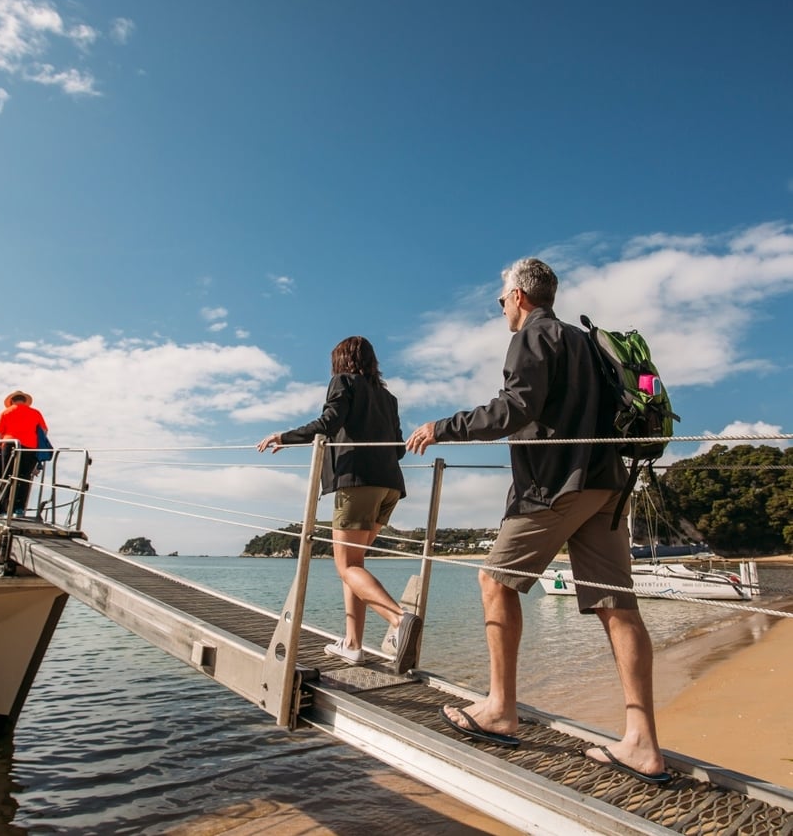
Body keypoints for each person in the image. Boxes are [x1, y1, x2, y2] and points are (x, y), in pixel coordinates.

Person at [406, 258, 670, 785]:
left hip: (556, 487)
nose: (501, 307)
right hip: (607, 484)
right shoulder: (589, 344)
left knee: (494, 581)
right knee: (617, 606)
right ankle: (642, 744)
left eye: (502, 299)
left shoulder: (533, 337)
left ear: (521, 297)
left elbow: (515, 409)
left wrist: (442, 427)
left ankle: (500, 707)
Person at [257, 336, 422, 676]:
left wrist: (284, 437)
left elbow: (329, 422)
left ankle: (399, 620)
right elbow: (399, 449)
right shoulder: (388, 398)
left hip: (357, 482)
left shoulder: (343, 381)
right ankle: (352, 644)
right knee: (355, 565)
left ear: (341, 361)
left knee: (346, 567)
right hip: (390, 487)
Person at [0, 390, 49, 517]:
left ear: (12, 401)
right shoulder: (35, 412)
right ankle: (18, 509)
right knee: (24, 477)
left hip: (10, 445)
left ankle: (4, 508)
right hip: (30, 447)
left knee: (8, 476)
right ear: (25, 401)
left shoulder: (5, 412)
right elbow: (44, 430)